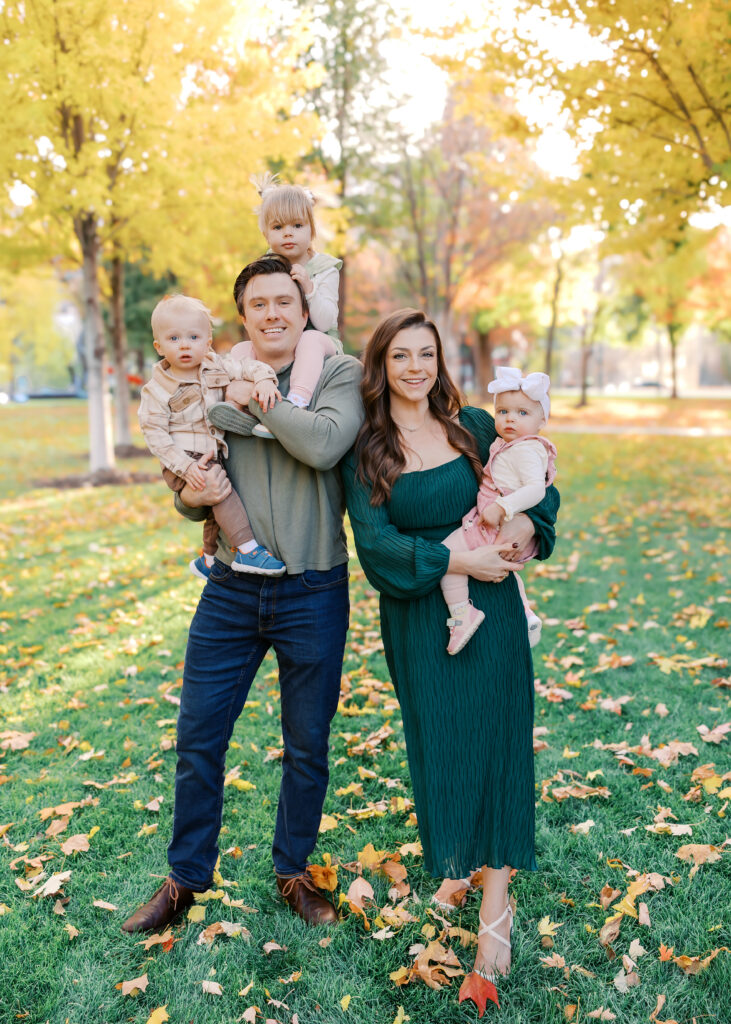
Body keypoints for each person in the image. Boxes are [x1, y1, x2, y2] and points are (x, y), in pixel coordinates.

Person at [122, 255, 364, 934]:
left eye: (283, 301)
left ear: (303, 305)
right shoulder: (209, 375)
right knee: (198, 739)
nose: (272, 315)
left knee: (307, 745)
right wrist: (188, 497)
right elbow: (193, 480)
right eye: (257, 305)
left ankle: (293, 872)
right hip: (231, 588)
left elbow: (321, 446)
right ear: (242, 316)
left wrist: (258, 403)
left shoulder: (337, 374)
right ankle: (185, 880)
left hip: (312, 588)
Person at [340, 309, 559, 983]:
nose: (413, 367)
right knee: (441, 746)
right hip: (418, 611)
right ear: (380, 365)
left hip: (489, 610)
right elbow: (374, 548)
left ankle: (495, 903)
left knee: (494, 742)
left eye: (424, 354)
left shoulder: (478, 428)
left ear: (440, 361)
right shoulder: (366, 448)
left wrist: (519, 528)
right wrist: (460, 564)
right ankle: (459, 866)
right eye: (399, 355)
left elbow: (542, 493)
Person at [138, 294, 286, 580]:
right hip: (183, 460)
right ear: (158, 346)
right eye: (173, 338)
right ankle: (247, 549)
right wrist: (186, 466)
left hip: (213, 451)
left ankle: (207, 559)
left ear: (207, 342)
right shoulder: (156, 390)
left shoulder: (216, 366)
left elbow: (247, 367)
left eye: (193, 337)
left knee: (217, 503)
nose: (184, 344)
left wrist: (265, 378)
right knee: (221, 491)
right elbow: (155, 436)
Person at [439, 366, 557, 654]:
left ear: (542, 419)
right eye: (503, 412)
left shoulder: (525, 450)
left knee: (446, 557)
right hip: (496, 525)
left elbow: (538, 490)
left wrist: (503, 508)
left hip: (492, 525)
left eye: (522, 413)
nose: (510, 419)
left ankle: (461, 614)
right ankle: (527, 615)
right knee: (508, 571)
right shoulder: (510, 445)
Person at [250, 174, 342, 436]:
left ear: (311, 229)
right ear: (265, 233)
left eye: (297, 225)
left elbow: (326, 323)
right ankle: (239, 405)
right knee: (242, 348)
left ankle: (296, 405)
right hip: (279, 341)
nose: (287, 233)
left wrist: (308, 288)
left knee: (310, 339)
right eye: (278, 227)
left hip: (320, 342)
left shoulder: (325, 268)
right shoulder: (264, 268)